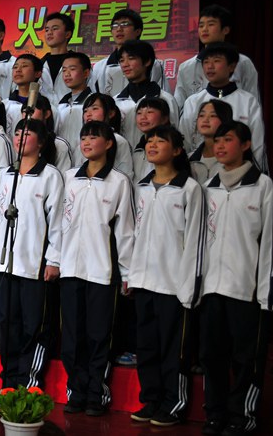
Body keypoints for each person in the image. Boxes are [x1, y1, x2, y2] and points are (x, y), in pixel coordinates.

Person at [128, 125, 204, 427]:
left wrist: (189, 286)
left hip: (174, 285)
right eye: (149, 141)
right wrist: (132, 274)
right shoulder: (142, 187)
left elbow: (196, 240)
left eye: (161, 141)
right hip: (144, 281)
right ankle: (151, 399)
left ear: (177, 150)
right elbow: (135, 233)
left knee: (173, 349)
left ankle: (174, 403)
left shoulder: (189, 188)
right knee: (146, 347)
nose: (152, 145)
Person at [199, 121, 272, 436]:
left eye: (228, 140)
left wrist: (265, 291)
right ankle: (214, 413)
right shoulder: (209, 186)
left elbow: (269, 242)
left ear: (245, 145)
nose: (220, 146)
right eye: (217, 140)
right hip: (211, 288)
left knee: (245, 359)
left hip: (247, 289)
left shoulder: (262, 185)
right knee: (211, 356)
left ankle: (242, 416)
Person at [60, 120, 135, 417]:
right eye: (83, 137)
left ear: (109, 143)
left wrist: (126, 272)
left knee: (98, 335)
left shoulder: (119, 182)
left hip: (102, 271)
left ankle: (96, 394)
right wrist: (55, 261)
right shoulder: (69, 178)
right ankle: (76, 392)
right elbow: (59, 223)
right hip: (69, 269)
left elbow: (125, 231)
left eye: (94, 137)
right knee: (72, 337)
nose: (87, 142)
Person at [0, 118, 64, 389]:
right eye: (18, 132)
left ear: (42, 142)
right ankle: (8, 381)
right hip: (6, 264)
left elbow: (57, 222)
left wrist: (53, 259)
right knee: (7, 324)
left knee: (32, 325)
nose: (20, 137)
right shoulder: (5, 175)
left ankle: (28, 382)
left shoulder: (50, 176)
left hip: (35, 265)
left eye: (28, 133)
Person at [178, 43, 267, 172]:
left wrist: (251, 173)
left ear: (231, 66)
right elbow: (184, 140)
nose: (210, 66)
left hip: (238, 169)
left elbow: (256, 143)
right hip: (199, 169)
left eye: (216, 61)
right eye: (206, 62)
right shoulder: (193, 101)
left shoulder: (247, 101)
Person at [174, 5, 260, 109]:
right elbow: (179, 105)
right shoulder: (186, 67)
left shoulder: (242, 62)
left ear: (225, 30)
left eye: (210, 24)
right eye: (201, 25)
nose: (204, 29)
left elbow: (253, 100)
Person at [113, 40, 178, 149]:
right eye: (121, 60)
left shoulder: (165, 99)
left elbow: (175, 135)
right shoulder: (115, 101)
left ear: (147, 61)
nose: (125, 64)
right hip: (123, 158)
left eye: (131, 58)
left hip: (154, 157)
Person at [93, 9, 168, 95]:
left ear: (138, 31)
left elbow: (162, 96)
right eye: (115, 25)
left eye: (125, 24)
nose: (119, 29)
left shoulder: (153, 64)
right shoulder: (100, 67)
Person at [74, 93, 134, 180]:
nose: (88, 114)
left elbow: (126, 174)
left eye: (94, 109)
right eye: (85, 111)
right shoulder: (82, 141)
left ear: (111, 113)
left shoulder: (119, 141)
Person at [188, 99, 233, 184]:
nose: (205, 120)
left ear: (225, 120)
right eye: (201, 115)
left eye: (213, 116)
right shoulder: (189, 160)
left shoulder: (233, 159)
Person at [56, 52, 93, 151]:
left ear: (86, 73)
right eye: (64, 70)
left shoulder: (93, 103)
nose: (67, 74)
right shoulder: (61, 105)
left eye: (72, 69)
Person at [130, 97, 172, 180]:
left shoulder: (170, 146)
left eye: (149, 112)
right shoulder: (137, 149)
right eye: (139, 113)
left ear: (164, 118)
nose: (143, 117)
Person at [39, 12, 75, 105]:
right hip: (44, 112)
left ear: (67, 34)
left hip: (72, 111)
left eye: (54, 29)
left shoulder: (79, 63)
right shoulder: (38, 64)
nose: (49, 33)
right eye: (47, 30)